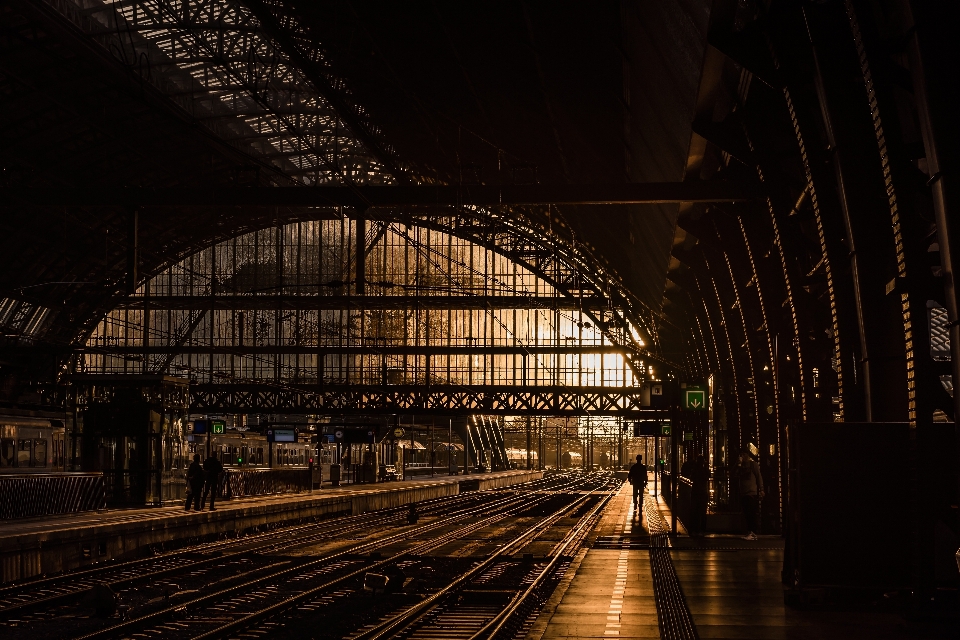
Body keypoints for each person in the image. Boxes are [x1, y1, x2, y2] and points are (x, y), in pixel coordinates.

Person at [738, 450, 763, 540]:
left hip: (751, 492)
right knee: (746, 513)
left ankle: (752, 532)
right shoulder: (741, 466)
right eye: (741, 455)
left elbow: (758, 476)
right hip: (743, 492)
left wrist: (761, 489)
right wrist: (738, 465)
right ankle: (749, 532)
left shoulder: (753, 465)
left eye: (744, 454)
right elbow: (734, 474)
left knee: (751, 513)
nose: (742, 456)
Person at [688, 454, 710, 537]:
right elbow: (708, 476)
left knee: (694, 511)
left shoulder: (695, 470)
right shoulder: (705, 470)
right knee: (702, 512)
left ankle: (694, 529)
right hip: (703, 492)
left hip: (695, 491)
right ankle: (702, 530)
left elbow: (692, 478)